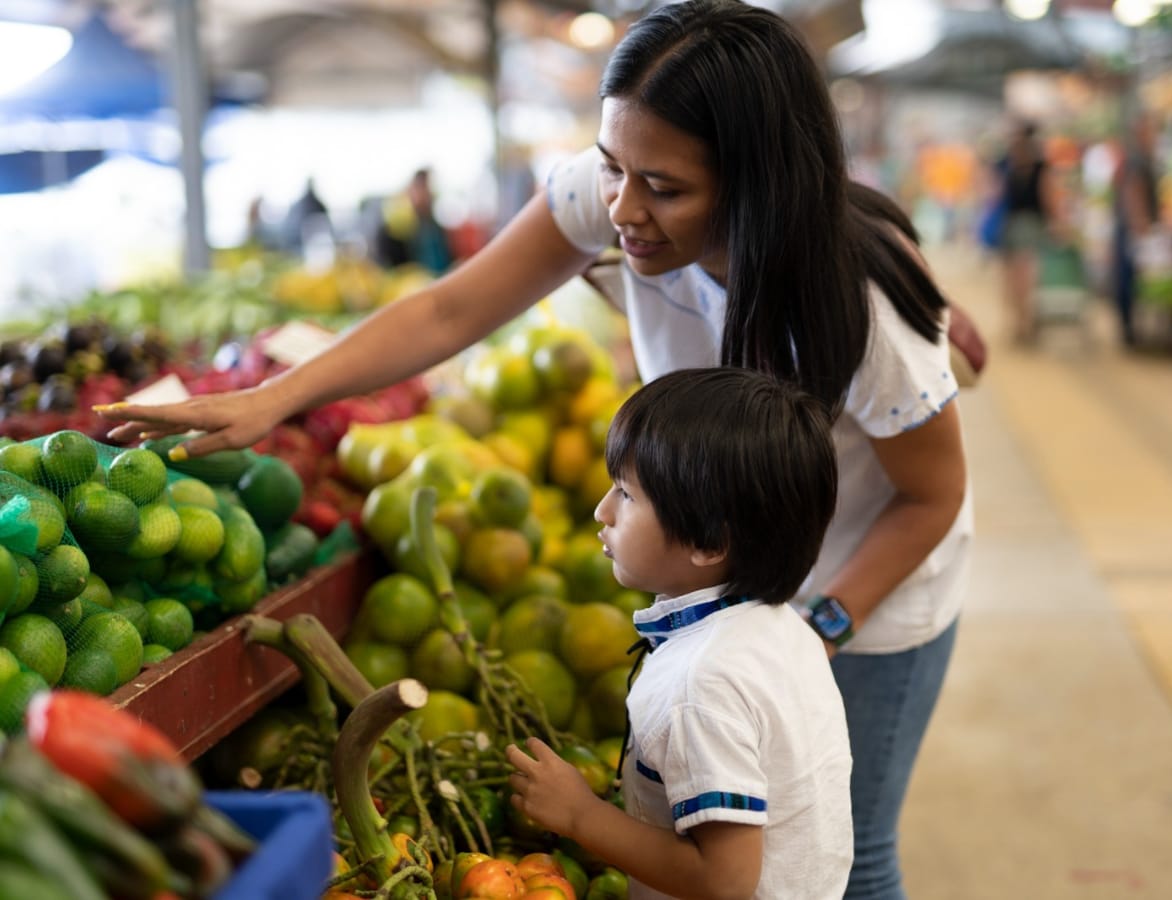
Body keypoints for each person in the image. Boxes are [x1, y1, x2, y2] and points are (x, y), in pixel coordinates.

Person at [96, 4, 970, 896]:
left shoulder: (858, 304)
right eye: (610, 167)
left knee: (847, 852)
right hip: (727, 576)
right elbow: (449, 309)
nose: (622, 208)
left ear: (756, 185)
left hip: (865, 585)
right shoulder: (627, 189)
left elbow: (930, 499)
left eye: (664, 189)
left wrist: (818, 628)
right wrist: (274, 399)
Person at [507, 366, 852, 899]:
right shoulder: (784, 629)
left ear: (711, 543)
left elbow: (726, 880)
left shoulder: (699, 687)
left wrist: (580, 814)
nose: (602, 510)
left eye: (626, 494)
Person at [997, 121, 1054, 344]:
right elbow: (1048, 196)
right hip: (1024, 224)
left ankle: (1023, 323)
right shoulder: (1031, 166)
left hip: (1018, 224)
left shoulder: (1012, 165)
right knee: (1021, 279)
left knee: (1019, 279)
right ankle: (1023, 323)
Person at [1111, 112, 1162, 348]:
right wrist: (1140, 224)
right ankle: (1129, 330)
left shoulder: (1140, 158)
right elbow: (1132, 192)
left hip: (1130, 226)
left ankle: (1130, 328)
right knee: (1129, 281)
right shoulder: (1137, 160)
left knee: (1129, 280)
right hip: (1132, 228)